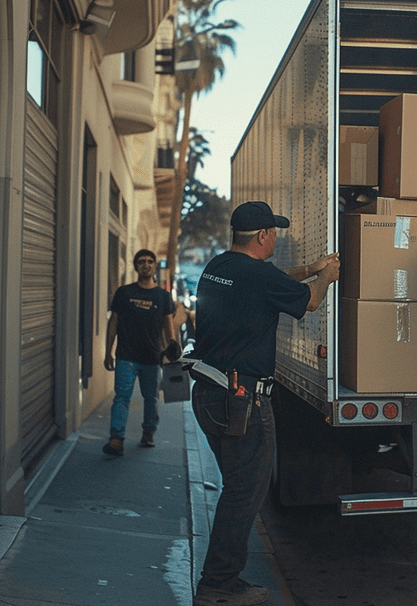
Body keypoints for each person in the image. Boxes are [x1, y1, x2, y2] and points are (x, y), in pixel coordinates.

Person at [190, 201, 340, 606]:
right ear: (262, 236)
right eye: (274, 230)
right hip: (242, 400)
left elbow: (274, 282)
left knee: (236, 490)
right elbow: (308, 301)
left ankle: (220, 579)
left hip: (209, 392)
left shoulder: (219, 267)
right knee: (244, 493)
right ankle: (218, 584)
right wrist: (326, 277)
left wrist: (310, 267)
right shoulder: (256, 277)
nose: (277, 236)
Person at [102, 249, 176, 456]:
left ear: (154, 266)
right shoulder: (124, 293)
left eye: (150, 261)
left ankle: (148, 432)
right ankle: (116, 439)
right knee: (122, 397)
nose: (146, 265)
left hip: (152, 357)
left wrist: (172, 346)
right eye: (142, 261)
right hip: (126, 356)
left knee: (151, 398)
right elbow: (114, 321)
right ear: (136, 267)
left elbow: (168, 325)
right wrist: (108, 352)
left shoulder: (162, 296)